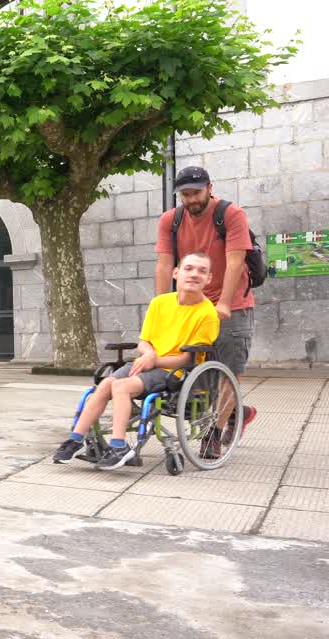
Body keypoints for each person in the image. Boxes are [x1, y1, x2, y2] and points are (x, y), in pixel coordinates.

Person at [54, 252, 220, 470]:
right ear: (176, 273)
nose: (194, 274)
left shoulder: (207, 314)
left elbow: (189, 358)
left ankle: (119, 446)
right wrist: (149, 354)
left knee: (121, 387)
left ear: (209, 279)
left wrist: (155, 360)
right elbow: (144, 341)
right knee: (105, 385)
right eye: (189, 268)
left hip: (174, 371)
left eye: (202, 270)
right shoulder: (160, 303)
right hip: (145, 363)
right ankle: (75, 439)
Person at [155, 166, 257, 448]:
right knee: (197, 368)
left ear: (209, 188)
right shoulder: (170, 221)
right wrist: (162, 306)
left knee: (229, 368)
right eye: (185, 195)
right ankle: (239, 412)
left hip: (232, 305)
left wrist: (223, 303)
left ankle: (214, 433)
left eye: (196, 193)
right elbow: (165, 264)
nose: (191, 200)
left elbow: (235, 262)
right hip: (191, 305)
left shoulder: (231, 215)